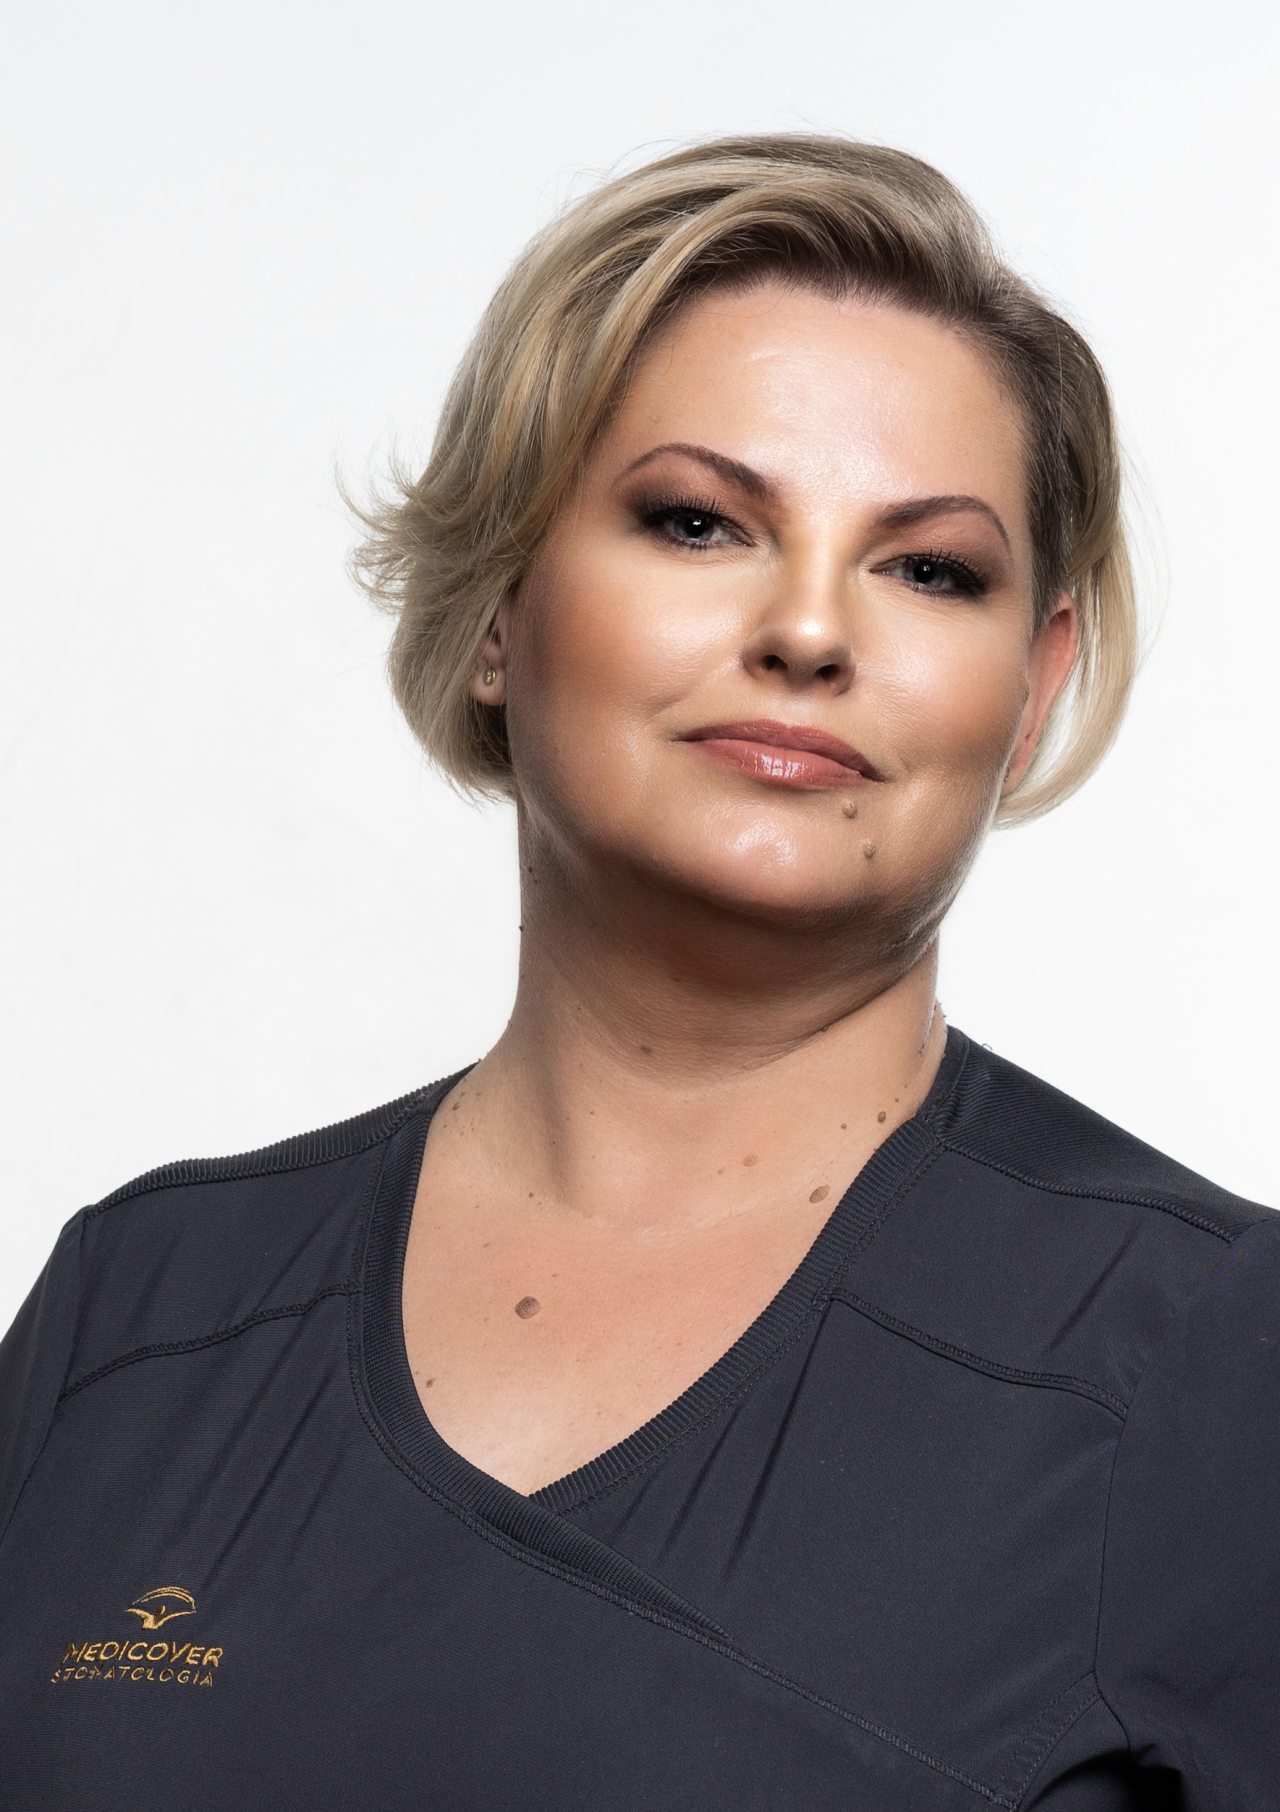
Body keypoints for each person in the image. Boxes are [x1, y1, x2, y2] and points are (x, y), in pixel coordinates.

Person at [1, 132, 1276, 1809]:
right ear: (496, 607)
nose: (810, 631)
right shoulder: (144, 1309)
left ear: (1031, 688)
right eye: (697, 522)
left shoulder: (1215, 1360)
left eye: (929, 569)